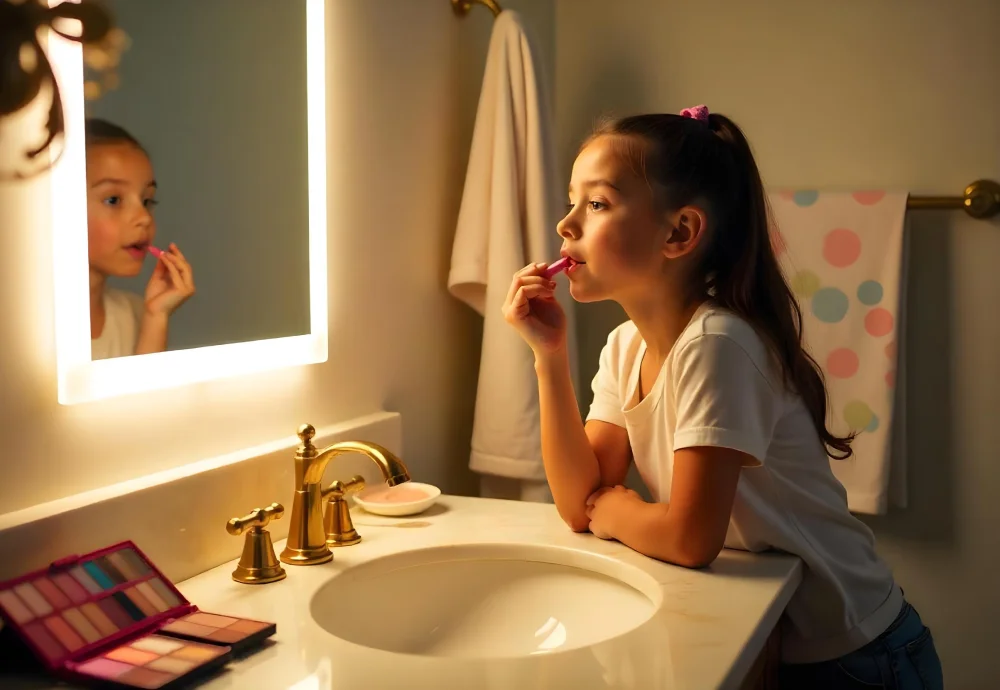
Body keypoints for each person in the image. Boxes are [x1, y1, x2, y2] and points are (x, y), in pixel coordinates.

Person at [502, 105, 944, 688]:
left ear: (680, 233)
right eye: (571, 201)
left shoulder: (717, 345)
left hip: (857, 655)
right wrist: (548, 356)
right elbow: (576, 501)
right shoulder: (625, 346)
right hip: (785, 638)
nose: (566, 224)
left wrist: (616, 510)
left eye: (598, 203)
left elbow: (688, 539)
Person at [85, 118, 195, 360]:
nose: (144, 218)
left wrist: (156, 318)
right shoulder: (23, 326)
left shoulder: (137, 314)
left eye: (147, 201)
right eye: (113, 200)